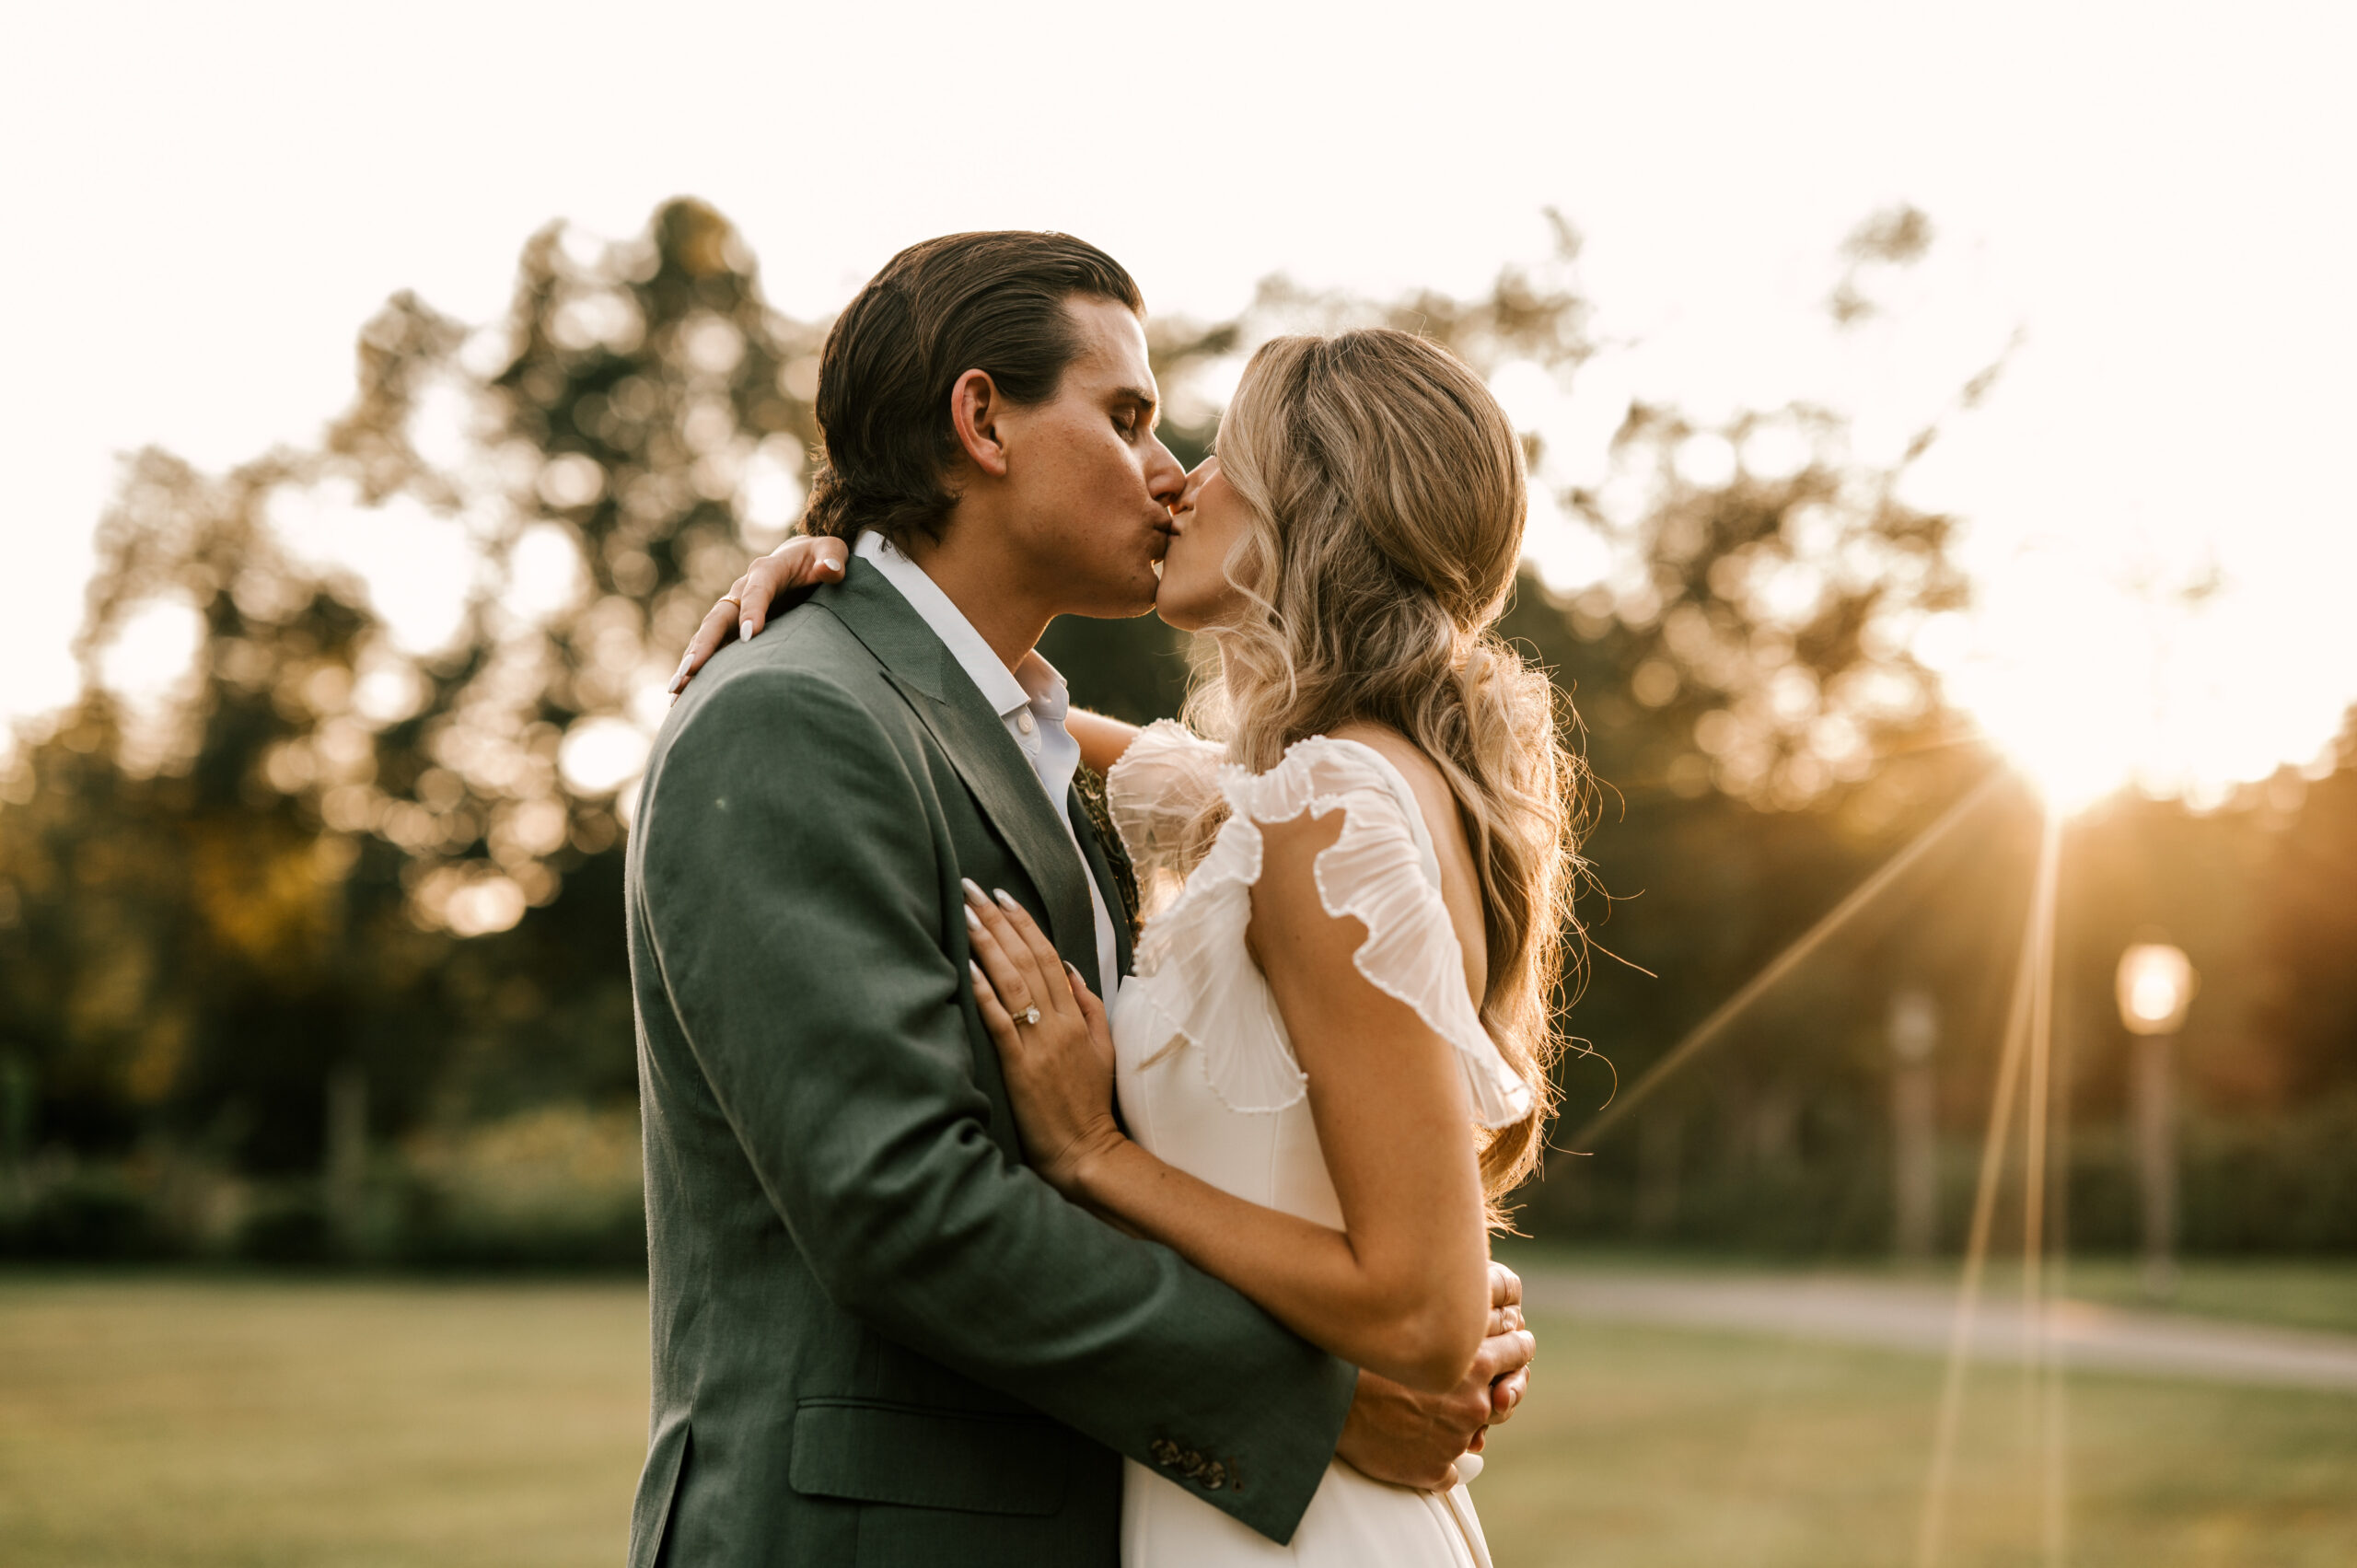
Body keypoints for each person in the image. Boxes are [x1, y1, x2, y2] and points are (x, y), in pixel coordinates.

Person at [630, 232, 1534, 1568]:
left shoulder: (1153, 770)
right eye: (1128, 421)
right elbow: (903, 1208)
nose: (1171, 477)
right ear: (981, 420)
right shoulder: (795, 718)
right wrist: (1317, 1403)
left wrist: (1397, 1310)